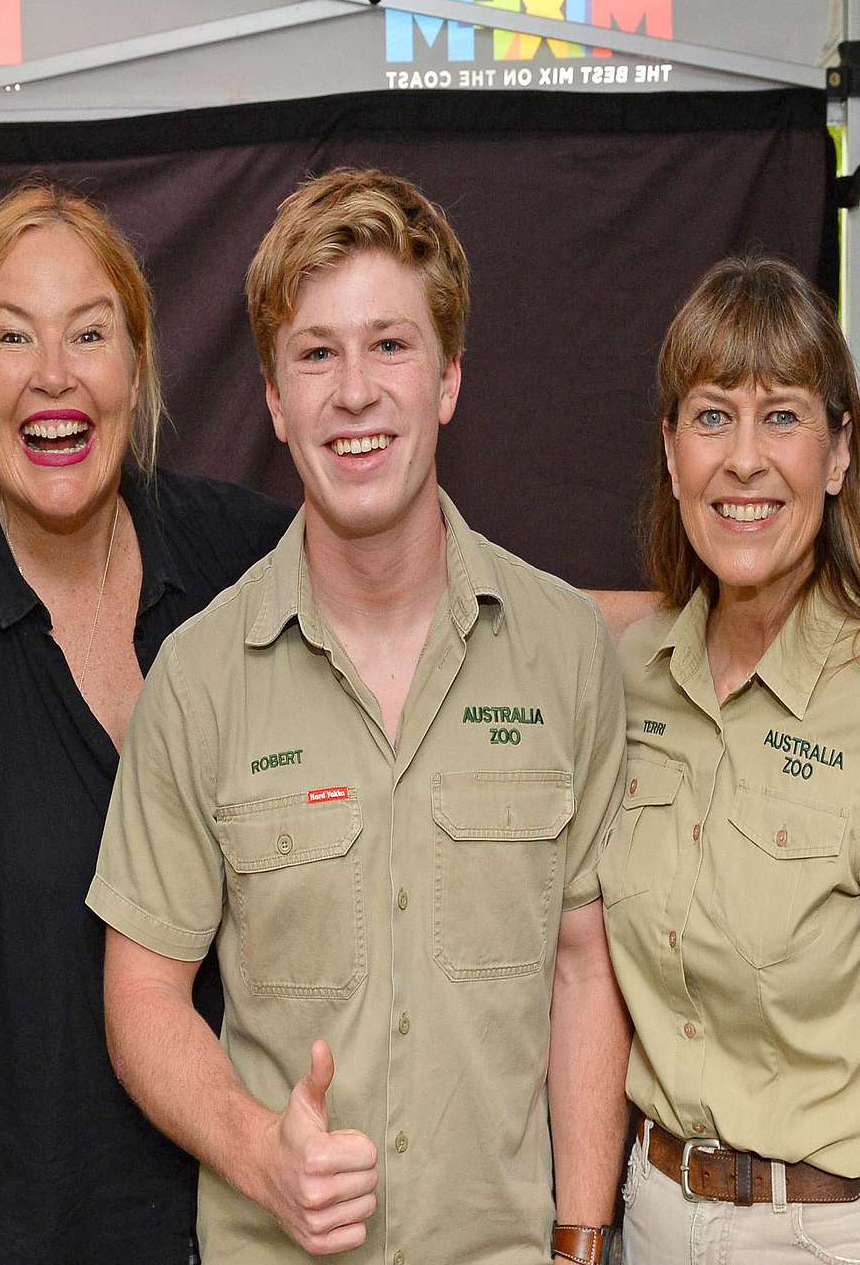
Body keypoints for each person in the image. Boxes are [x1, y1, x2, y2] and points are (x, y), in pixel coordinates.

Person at [88, 167, 631, 1264]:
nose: (354, 393)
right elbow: (140, 992)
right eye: (316, 354)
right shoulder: (199, 679)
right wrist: (260, 1154)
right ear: (275, 401)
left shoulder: (565, 651)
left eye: (389, 345)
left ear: (448, 378)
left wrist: (581, 1243)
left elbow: (585, 969)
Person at [600, 255, 860, 1264]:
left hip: (818, 1234)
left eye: (779, 416)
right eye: (711, 417)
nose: (743, 461)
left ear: (836, 455)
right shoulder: (631, 678)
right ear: (671, 451)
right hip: (646, 1215)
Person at [0, 182, 293, 1265]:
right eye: (13, 335)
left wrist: (702, 612)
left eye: (89, 332)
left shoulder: (241, 557)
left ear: (137, 366)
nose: (54, 372)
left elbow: (441, 602)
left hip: (241, 1227)